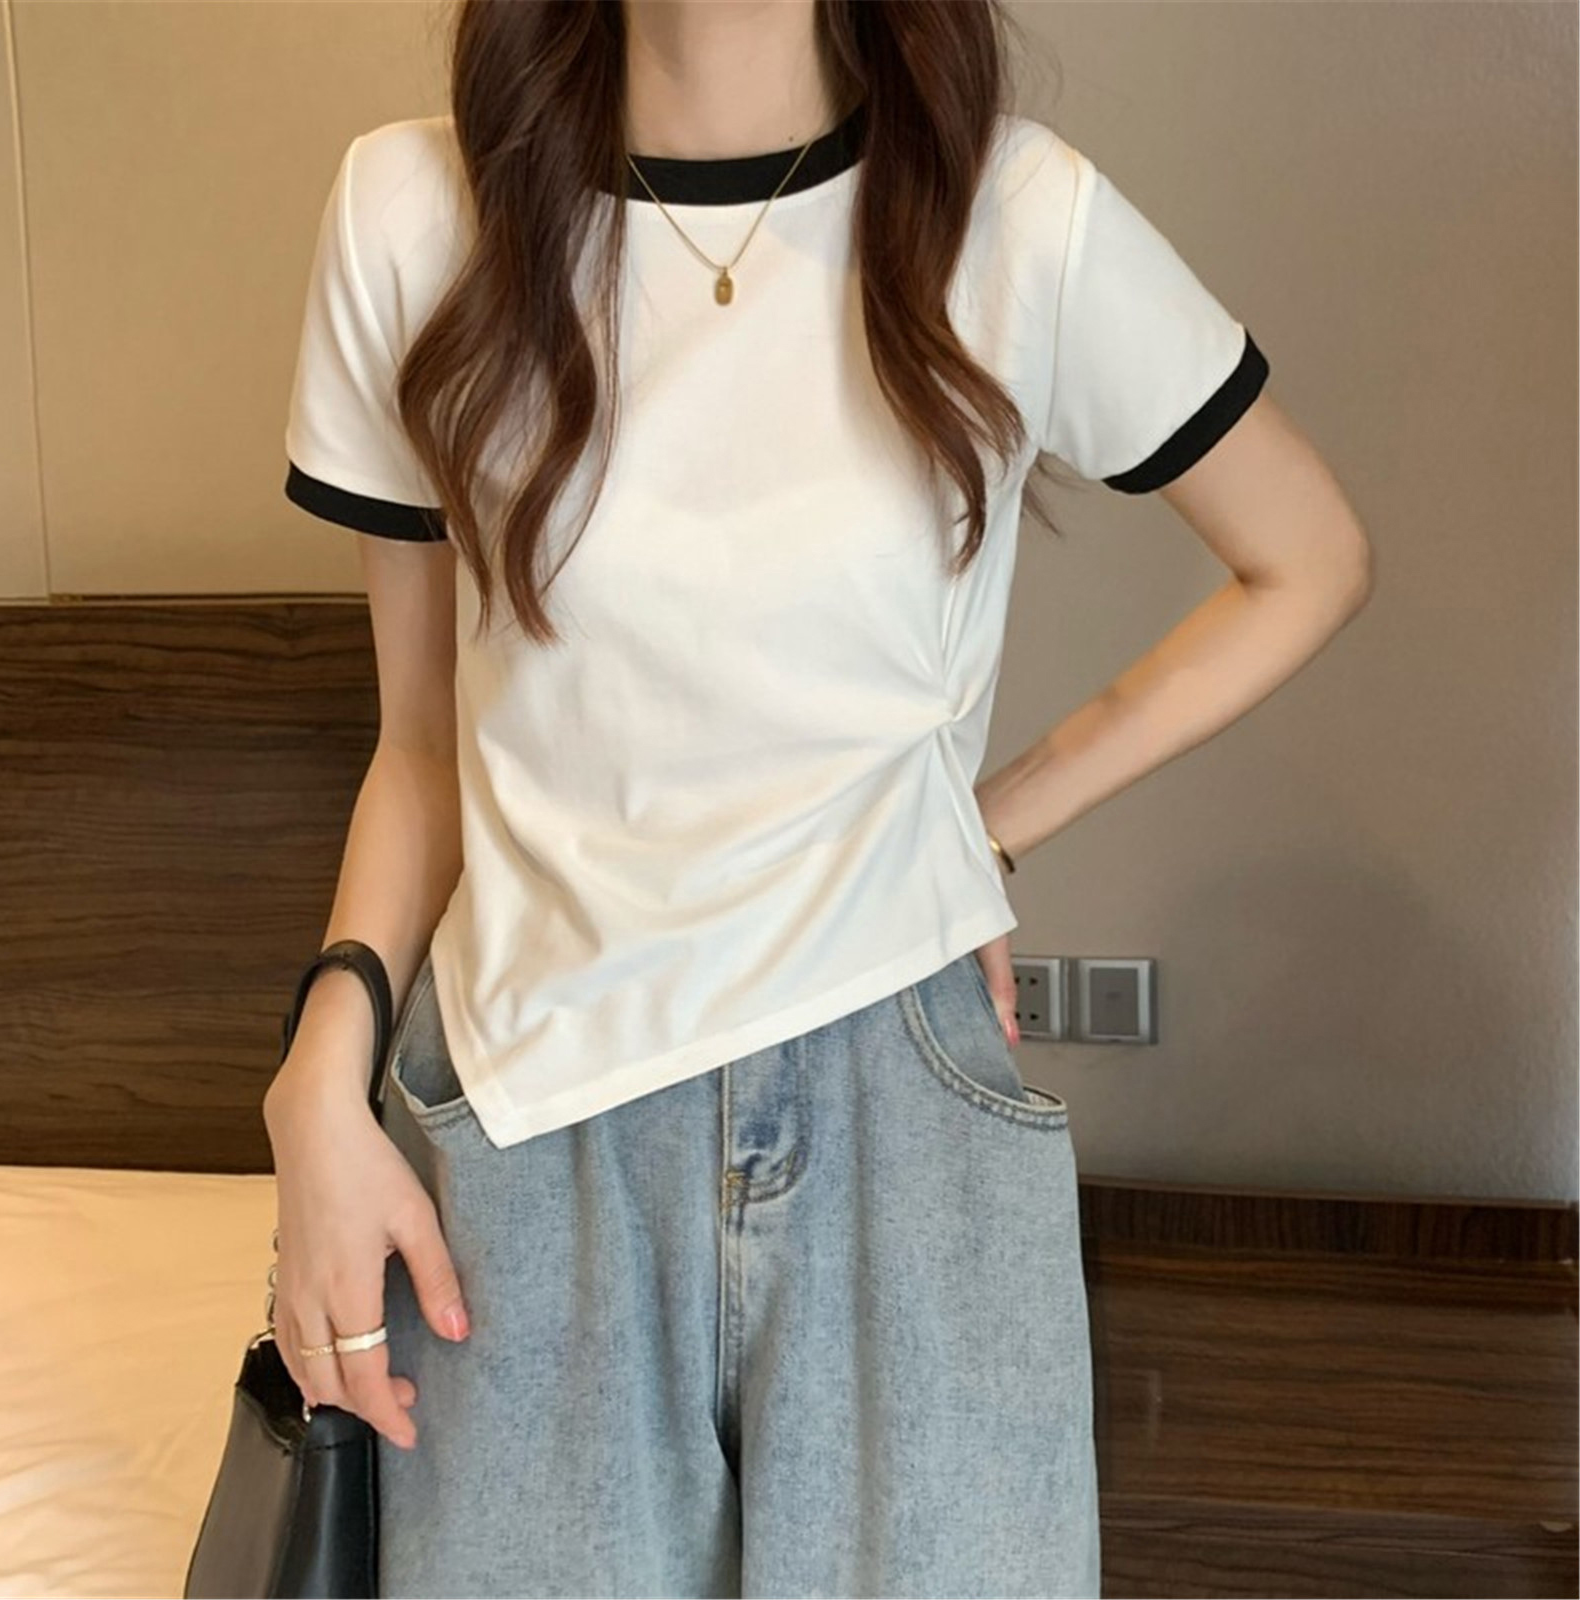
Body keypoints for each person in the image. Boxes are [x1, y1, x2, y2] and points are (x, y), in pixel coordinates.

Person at [263, 1, 1373, 1595]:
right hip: (525, 1119)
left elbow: (1308, 557)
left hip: (899, 1107)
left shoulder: (1013, 216)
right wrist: (320, 1078)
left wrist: (977, 830)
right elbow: (425, 741)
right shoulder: (413, 212)